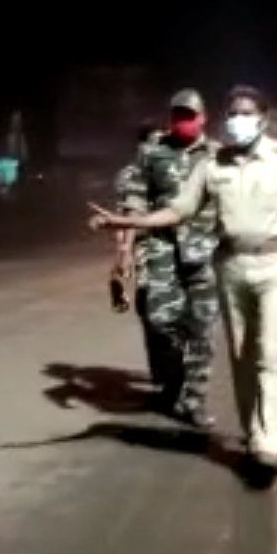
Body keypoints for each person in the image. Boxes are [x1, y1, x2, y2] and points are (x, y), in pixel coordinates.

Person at [90, 85, 277, 481]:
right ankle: (254, 433)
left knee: (270, 353)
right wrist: (127, 222)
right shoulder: (213, 164)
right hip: (231, 264)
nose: (238, 120)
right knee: (241, 355)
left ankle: (269, 446)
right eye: (232, 113)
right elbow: (178, 210)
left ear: (263, 118)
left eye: (246, 112)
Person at [112, 89, 221, 427]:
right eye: (178, 115)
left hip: (206, 249)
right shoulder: (152, 153)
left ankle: (193, 400)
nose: (183, 121)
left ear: (203, 118)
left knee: (201, 328)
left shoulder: (218, 155)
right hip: (162, 248)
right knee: (159, 319)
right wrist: (125, 250)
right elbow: (135, 201)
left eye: (189, 115)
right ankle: (174, 381)